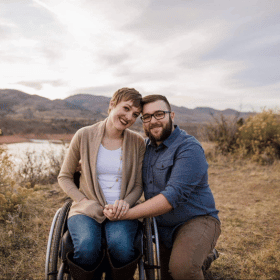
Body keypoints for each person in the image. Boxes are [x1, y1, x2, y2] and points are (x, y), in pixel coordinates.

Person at [104, 94, 221, 280]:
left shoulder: (188, 147)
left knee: (182, 270)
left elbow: (171, 197)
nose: (154, 121)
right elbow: (118, 169)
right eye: (147, 117)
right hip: (162, 228)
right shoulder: (144, 148)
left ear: (171, 115)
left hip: (195, 220)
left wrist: (125, 214)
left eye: (159, 114)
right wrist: (84, 167)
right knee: (166, 274)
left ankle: (197, 256)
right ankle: (204, 259)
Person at [58, 88, 145, 280]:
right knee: (87, 246)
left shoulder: (138, 142)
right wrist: (83, 201)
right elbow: (64, 176)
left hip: (122, 210)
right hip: (86, 208)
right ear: (112, 105)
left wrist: (126, 203)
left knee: (121, 247)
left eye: (135, 114)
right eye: (126, 108)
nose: (129, 116)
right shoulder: (84, 135)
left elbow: (138, 185)